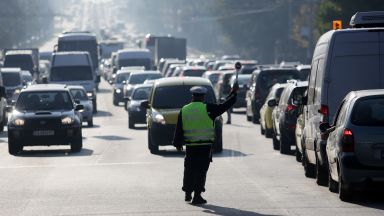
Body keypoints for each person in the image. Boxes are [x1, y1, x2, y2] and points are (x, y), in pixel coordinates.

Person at [172, 83, 238, 205]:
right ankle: (197, 195)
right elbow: (224, 106)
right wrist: (233, 94)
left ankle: (187, 192)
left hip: (191, 146)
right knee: (201, 170)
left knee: (189, 169)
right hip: (205, 146)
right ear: (203, 97)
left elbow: (179, 128)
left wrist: (177, 143)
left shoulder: (185, 109)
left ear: (192, 96)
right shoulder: (208, 108)